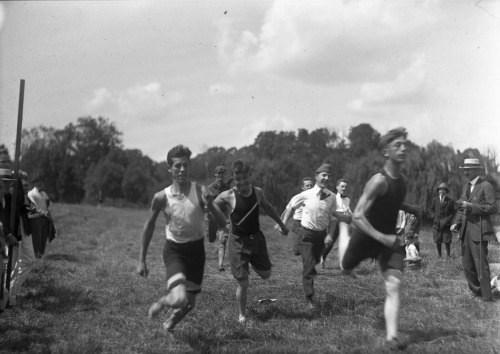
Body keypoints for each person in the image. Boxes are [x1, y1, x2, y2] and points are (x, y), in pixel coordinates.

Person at [339, 128, 422, 350]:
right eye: (398, 145)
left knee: (394, 285)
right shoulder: (378, 180)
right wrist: (381, 238)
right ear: (386, 152)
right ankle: (341, 232)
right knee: (345, 267)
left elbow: (390, 205)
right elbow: (357, 216)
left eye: (405, 144)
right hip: (366, 236)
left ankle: (392, 337)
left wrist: (410, 208)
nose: (403, 148)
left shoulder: (401, 182)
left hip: (389, 240)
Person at [137, 145, 226, 333]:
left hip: (196, 253)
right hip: (174, 252)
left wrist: (211, 205)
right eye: (177, 166)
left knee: (189, 303)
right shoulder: (161, 197)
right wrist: (142, 260)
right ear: (169, 168)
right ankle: (162, 302)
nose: (182, 169)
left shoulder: (201, 191)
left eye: (185, 165)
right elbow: (149, 226)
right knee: (178, 297)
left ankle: (169, 325)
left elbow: (222, 223)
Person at [214, 159, 288, 323]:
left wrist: (282, 225)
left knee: (266, 274)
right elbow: (210, 208)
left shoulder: (258, 193)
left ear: (250, 176)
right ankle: (242, 315)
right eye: (237, 179)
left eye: (244, 178)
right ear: (233, 179)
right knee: (243, 282)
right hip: (237, 243)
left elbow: (268, 207)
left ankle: (252, 263)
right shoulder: (227, 196)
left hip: (257, 241)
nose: (241, 182)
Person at [280, 163, 350, 310]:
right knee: (309, 266)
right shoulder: (306, 194)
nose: (326, 178)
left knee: (316, 260)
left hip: (321, 237)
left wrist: (330, 235)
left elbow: (332, 219)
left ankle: (313, 267)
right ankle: (309, 298)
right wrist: (283, 224)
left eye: (328, 176)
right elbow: (291, 205)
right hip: (306, 235)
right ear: (316, 176)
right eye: (323, 175)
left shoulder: (332, 197)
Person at [451, 158, 497, 301]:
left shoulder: (485, 185)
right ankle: (476, 291)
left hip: (479, 230)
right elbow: (461, 208)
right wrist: (457, 223)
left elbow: (493, 208)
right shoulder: (466, 187)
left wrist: (472, 207)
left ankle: (487, 296)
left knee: (480, 265)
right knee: (467, 265)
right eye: (464, 169)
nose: (465, 172)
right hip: (465, 232)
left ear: (476, 170)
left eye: (468, 169)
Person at [8, 171, 37, 307]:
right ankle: (9, 296)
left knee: (29, 260)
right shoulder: (9, 186)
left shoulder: (19, 186)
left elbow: (22, 205)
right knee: (12, 265)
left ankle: (11, 294)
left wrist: (29, 208)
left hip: (23, 225)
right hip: (13, 228)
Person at [275, 177, 314, 256]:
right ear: (303, 187)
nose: (309, 187)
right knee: (296, 251)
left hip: (310, 225)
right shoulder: (296, 198)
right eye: (307, 186)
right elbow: (287, 211)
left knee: (309, 247)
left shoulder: (315, 199)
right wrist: (280, 224)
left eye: (311, 185)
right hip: (298, 224)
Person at [320, 178, 353, 269]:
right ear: (337, 187)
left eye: (345, 187)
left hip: (344, 222)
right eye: (342, 186)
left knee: (346, 242)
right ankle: (322, 255)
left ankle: (345, 264)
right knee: (330, 243)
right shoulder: (333, 197)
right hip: (334, 221)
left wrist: (351, 214)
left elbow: (348, 210)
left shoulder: (347, 200)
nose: (344, 188)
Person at [207, 166, 233, 271]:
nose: (220, 175)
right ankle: (209, 232)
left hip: (225, 217)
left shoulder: (227, 188)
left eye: (222, 173)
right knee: (211, 238)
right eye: (218, 173)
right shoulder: (210, 188)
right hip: (213, 217)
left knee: (223, 240)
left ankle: (220, 265)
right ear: (215, 174)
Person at [28, 174, 55, 258]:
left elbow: (50, 204)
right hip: (36, 219)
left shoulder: (44, 193)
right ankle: (36, 255)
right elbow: (34, 207)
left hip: (45, 218)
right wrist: (43, 213)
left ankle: (41, 254)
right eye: (38, 181)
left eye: (41, 181)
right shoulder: (31, 193)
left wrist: (48, 211)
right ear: (34, 183)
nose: (40, 183)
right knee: (37, 238)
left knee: (44, 237)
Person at [429, 183, 455, 258]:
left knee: (447, 240)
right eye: (440, 190)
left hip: (446, 223)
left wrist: (448, 219)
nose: (441, 191)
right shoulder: (435, 200)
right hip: (437, 223)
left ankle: (448, 256)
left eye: (443, 190)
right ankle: (439, 255)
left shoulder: (450, 201)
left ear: (446, 191)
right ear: (438, 191)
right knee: (438, 239)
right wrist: (434, 217)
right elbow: (431, 210)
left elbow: (453, 213)